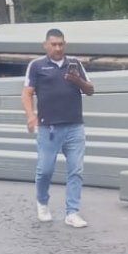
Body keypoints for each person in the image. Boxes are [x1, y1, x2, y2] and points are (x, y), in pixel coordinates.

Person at [21, 28, 96, 228]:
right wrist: (31, 116)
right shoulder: (37, 66)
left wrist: (77, 80)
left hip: (74, 126)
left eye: (61, 44)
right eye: (53, 44)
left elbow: (90, 90)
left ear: (65, 44)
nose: (57, 48)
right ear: (45, 45)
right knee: (45, 170)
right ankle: (42, 203)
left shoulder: (75, 64)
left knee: (76, 170)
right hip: (49, 128)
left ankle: (72, 212)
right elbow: (27, 93)